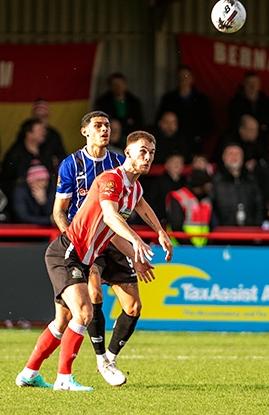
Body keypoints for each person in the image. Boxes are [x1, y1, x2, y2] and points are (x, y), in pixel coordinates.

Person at [16, 129, 173, 391]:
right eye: (142, 151)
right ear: (128, 153)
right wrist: (136, 239)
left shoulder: (134, 189)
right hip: (68, 252)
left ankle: (29, 373)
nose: (148, 157)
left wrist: (143, 246)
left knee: (62, 322)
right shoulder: (111, 179)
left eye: (152, 153)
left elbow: (120, 224)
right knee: (85, 312)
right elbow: (111, 217)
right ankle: (64, 379)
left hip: (81, 258)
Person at [52, 112, 166, 387]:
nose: (104, 130)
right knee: (91, 297)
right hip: (87, 238)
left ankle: (108, 358)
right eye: (98, 126)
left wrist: (158, 232)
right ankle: (95, 361)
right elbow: (59, 211)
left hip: (114, 236)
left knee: (134, 306)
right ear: (85, 132)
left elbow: (136, 200)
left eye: (107, 126)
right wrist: (76, 246)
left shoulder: (119, 163)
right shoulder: (71, 164)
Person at [156, 65, 213, 157]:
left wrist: (198, 137)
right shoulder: (169, 98)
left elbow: (209, 123)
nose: (183, 79)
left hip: (194, 144)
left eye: (186, 76)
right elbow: (159, 121)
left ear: (192, 79)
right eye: (180, 76)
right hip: (172, 144)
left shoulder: (201, 99)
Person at [210, 143, 264, 227]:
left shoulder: (251, 179)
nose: (234, 157)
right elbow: (211, 207)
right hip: (223, 232)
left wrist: (256, 226)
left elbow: (258, 205)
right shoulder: (216, 181)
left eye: (237, 154)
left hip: (249, 231)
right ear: (223, 157)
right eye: (230, 154)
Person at [1, 118, 53, 194]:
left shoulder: (45, 149)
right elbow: (10, 180)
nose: (43, 132)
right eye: (39, 130)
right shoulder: (15, 154)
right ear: (29, 134)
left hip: (47, 193)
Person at [165, 169, 212, 246]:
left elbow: (209, 225)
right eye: (207, 185)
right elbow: (176, 226)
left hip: (202, 249)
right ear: (200, 186)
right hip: (179, 248)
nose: (210, 187)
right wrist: (190, 246)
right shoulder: (179, 197)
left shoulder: (206, 200)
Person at [93, 72, 144, 138]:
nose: (118, 87)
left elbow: (138, 121)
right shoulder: (103, 101)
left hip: (130, 135)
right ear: (110, 86)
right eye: (115, 85)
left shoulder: (134, 101)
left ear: (125, 84)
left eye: (120, 84)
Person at [227, 71, 269, 136]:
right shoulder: (235, 103)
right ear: (244, 84)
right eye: (249, 83)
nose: (252, 86)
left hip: (263, 137)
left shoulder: (266, 102)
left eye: (255, 83)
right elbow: (234, 123)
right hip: (242, 137)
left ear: (259, 85)